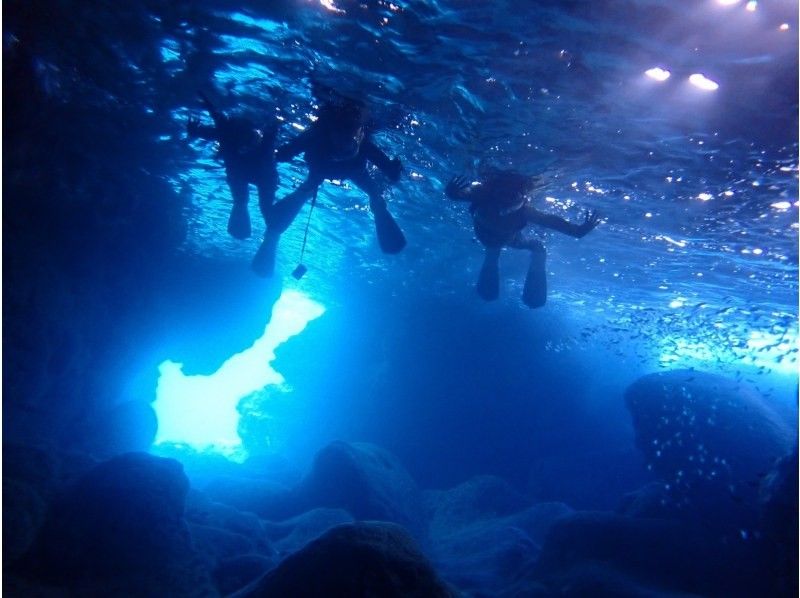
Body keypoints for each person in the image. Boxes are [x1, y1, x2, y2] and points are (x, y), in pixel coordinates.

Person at [251, 94, 406, 277]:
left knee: (305, 191)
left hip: (323, 169)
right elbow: (390, 170)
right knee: (374, 195)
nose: (341, 153)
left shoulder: (319, 135)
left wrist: (270, 144)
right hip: (342, 169)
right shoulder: (345, 139)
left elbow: (284, 153)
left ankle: (273, 235)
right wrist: (394, 169)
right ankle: (273, 234)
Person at [445, 169, 600, 308]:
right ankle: (496, 253)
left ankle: (529, 253)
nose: (505, 204)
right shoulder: (482, 194)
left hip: (507, 238)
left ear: (524, 199)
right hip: (496, 238)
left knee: (534, 246)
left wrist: (580, 231)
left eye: (512, 197)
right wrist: (452, 191)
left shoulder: (525, 212)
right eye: (502, 195)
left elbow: (562, 226)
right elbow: (459, 194)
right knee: (499, 247)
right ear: (494, 193)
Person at [187, 92, 278, 240]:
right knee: (252, 202)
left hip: (248, 161)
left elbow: (218, 121)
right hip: (249, 161)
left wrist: (195, 129)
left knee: (247, 201)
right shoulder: (231, 137)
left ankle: (270, 231)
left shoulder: (231, 140)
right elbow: (218, 121)